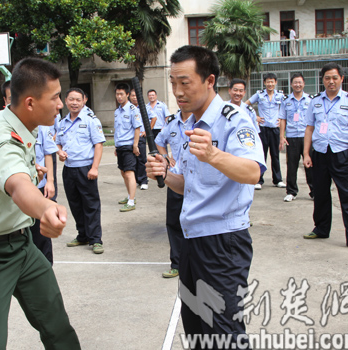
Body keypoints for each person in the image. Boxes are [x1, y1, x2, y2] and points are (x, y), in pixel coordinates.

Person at [146, 45, 266, 349]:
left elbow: (253, 172)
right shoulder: (187, 124)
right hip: (192, 240)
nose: (177, 91)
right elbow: (188, 186)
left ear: (209, 81)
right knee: (197, 327)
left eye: (185, 83)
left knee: (225, 331)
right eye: (173, 83)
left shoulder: (232, 119)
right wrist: (165, 175)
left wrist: (213, 154)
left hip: (223, 243)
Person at [0, 57, 81, 349]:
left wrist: (0, 171)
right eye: (55, 98)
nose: (61, 103)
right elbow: (18, 186)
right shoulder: (1, 137)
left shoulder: (6, 119)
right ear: (29, 103)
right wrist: (46, 208)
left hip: (23, 247)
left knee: (58, 328)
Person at [303, 62, 348, 251]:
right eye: (327, 78)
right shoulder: (315, 101)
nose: (331, 81)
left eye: (334, 78)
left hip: (342, 154)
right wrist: (306, 153)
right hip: (320, 153)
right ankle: (321, 229)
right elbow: (310, 128)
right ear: (323, 80)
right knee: (320, 193)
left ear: (341, 79)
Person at [57, 88, 105, 254]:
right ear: (66, 101)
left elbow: (99, 144)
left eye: (78, 99)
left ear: (84, 100)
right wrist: (60, 152)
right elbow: (58, 142)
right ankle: (82, 235)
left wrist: (94, 168)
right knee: (75, 204)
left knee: (91, 204)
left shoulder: (91, 120)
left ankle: (96, 239)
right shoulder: (63, 122)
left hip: (86, 168)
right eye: (71, 99)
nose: (74, 103)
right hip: (69, 169)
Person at [155, 109, 194, 279]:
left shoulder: (200, 120)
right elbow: (159, 140)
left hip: (196, 180)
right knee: (174, 222)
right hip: (176, 176)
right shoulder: (171, 121)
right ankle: (176, 264)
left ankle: (196, 263)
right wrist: (164, 157)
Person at [246, 73, 286, 190]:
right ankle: (259, 180)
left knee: (275, 155)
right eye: (268, 82)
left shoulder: (280, 96)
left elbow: (285, 108)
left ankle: (278, 180)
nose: (270, 84)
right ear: (264, 83)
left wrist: (282, 118)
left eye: (272, 81)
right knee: (261, 155)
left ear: (275, 83)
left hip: (275, 129)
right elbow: (246, 104)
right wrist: (255, 117)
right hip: (262, 129)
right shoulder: (259, 95)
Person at [279, 73, 313, 202]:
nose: (297, 85)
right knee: (291, 165)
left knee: (310, 164)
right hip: (292, 137)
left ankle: (314, 191)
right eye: (295, 82)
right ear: (291, 84)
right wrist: (282, 136)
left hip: (307, 137)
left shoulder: (310, 100)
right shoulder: (286, 101)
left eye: (300, 82)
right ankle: (291, 191)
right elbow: (282, 119)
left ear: (304, 84)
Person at [30, 124, 58, 263]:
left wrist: (50, 181)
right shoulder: (5, 124)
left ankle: (45, 267)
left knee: (41, 231)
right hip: (16, 189)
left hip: (39, 186)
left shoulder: (41, 127)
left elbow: (48, 154)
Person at [114, 83, 142, 212]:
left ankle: (131, 201)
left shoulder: (132, 110)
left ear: (127, 95)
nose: (119, 97)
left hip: (129, 146)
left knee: (130, 173)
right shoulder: (117, 111)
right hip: (120, 146)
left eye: (121, 94)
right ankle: (130, 196)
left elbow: (137, 128)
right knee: (123, 172)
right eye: (117, 94)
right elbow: (117, 130)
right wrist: (116, 145)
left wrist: (135, 145)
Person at [129, 88, 149, 190]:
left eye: (136, 95)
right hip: (130, 138)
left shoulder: (144, 107)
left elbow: (154, 118)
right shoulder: (128, 108)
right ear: (129, 96)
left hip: (140, 137)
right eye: (133, 95)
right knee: (133, 160)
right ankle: (136, 179)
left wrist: (146, 131)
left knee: (141, 159)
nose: (134, 97)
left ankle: (144, 180)